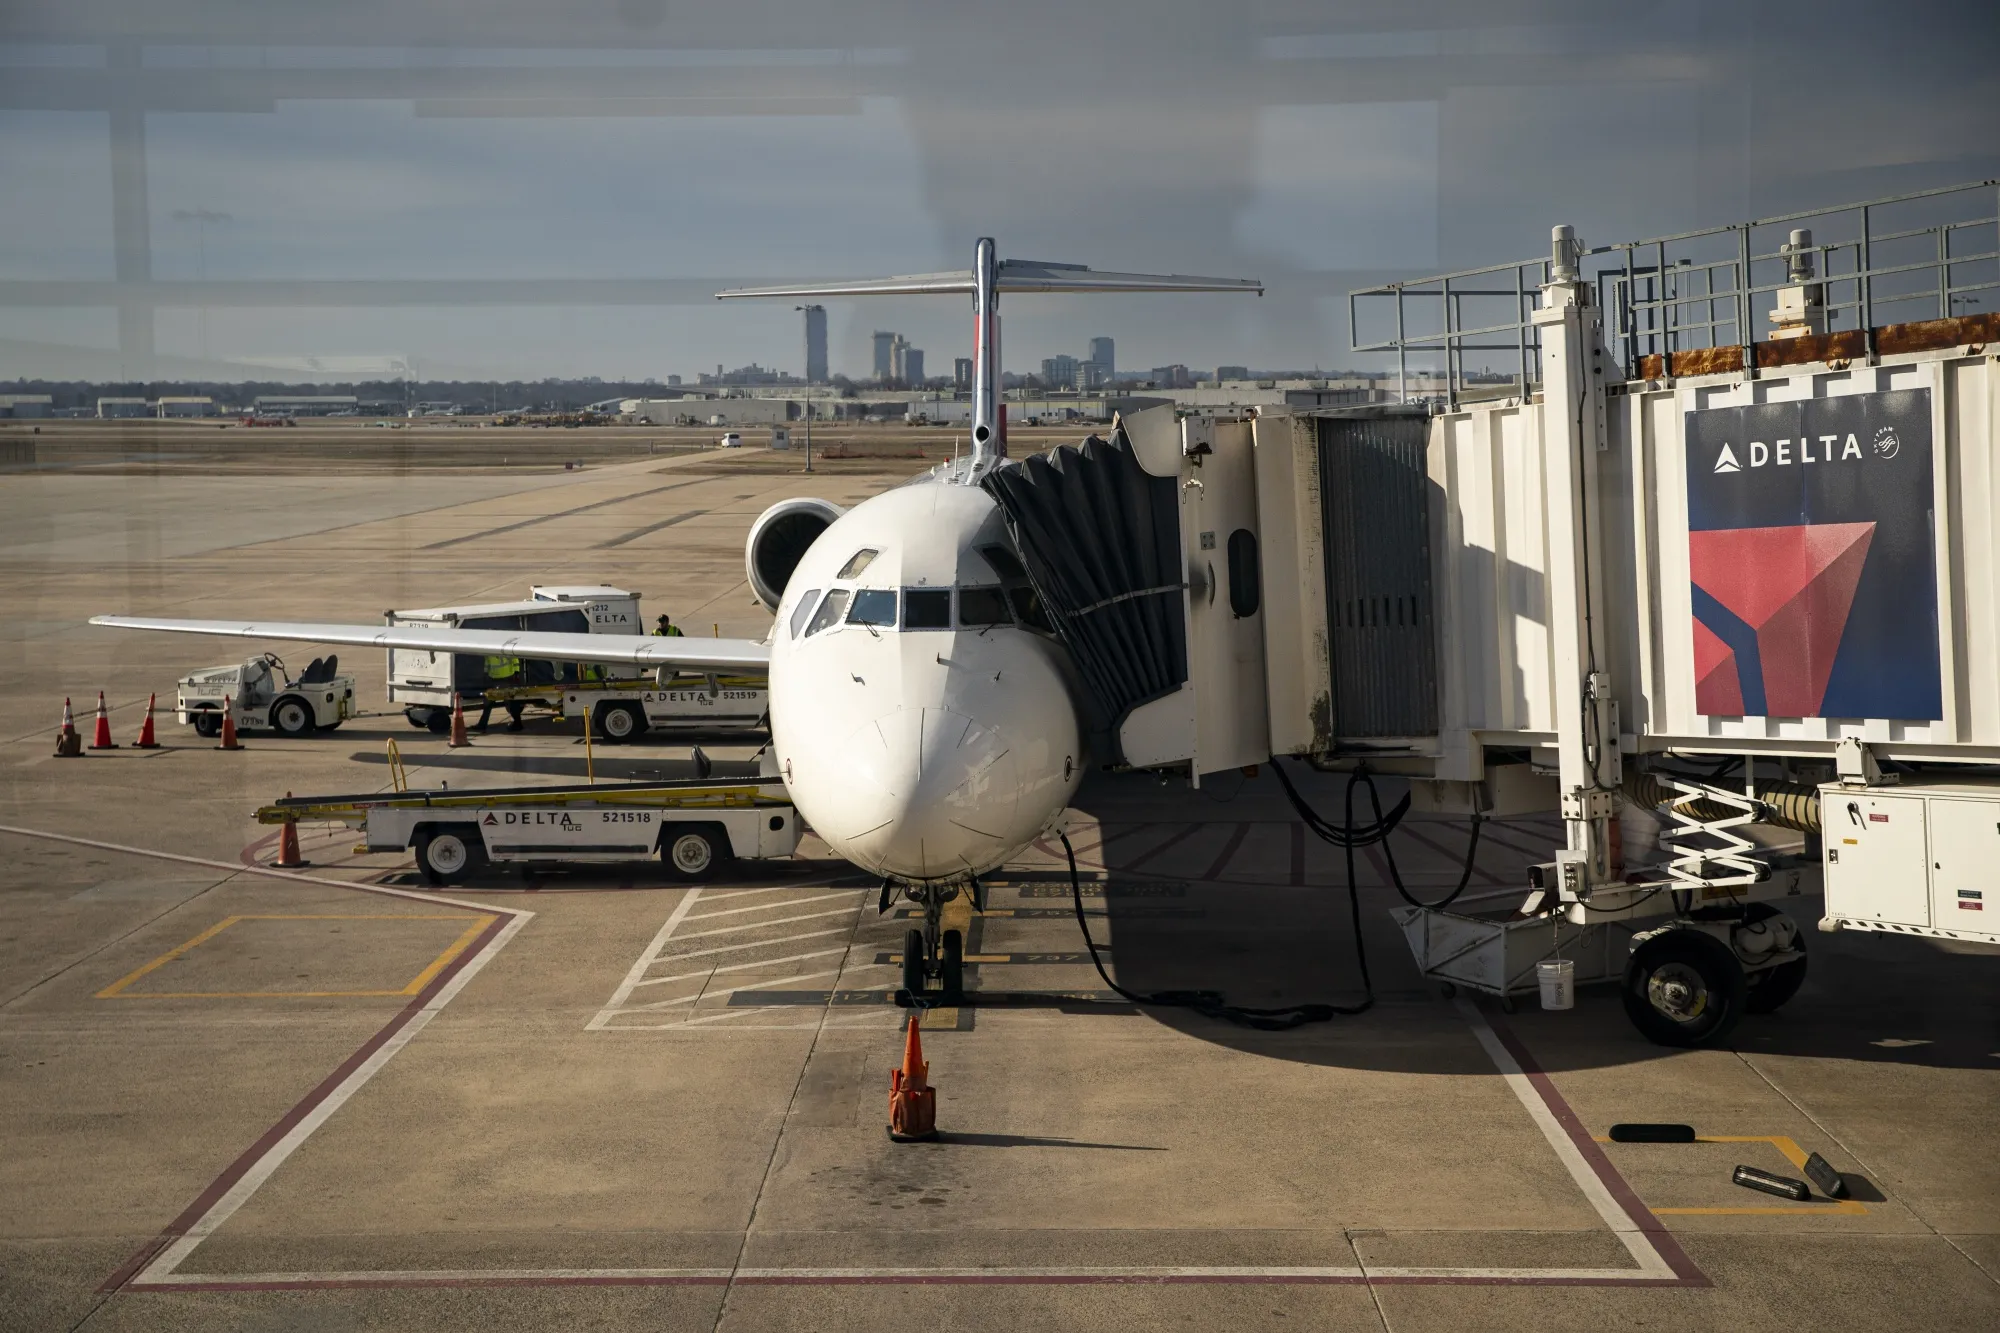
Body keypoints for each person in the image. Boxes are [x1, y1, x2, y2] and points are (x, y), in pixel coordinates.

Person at [475, 653, 526, 732]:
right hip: (495, 677)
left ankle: (482, 725)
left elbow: (514, 659)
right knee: (491, 701)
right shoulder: (491, 649)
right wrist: (486, 673)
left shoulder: (500, 647)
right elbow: (487, 662)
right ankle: (482, 724)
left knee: (508, 701)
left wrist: (516, 672)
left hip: (506, 677)